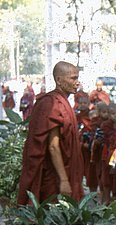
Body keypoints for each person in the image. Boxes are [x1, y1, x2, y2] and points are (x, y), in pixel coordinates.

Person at [17, 62, 84, 205]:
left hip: (66, 169)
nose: (77, 82)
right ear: (59, 80)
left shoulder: (63, 102)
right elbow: (53, 146)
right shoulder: (51, 103)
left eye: (77, 78)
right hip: (54, 175)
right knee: (52, 218)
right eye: (73, 78)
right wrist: (64, 180)